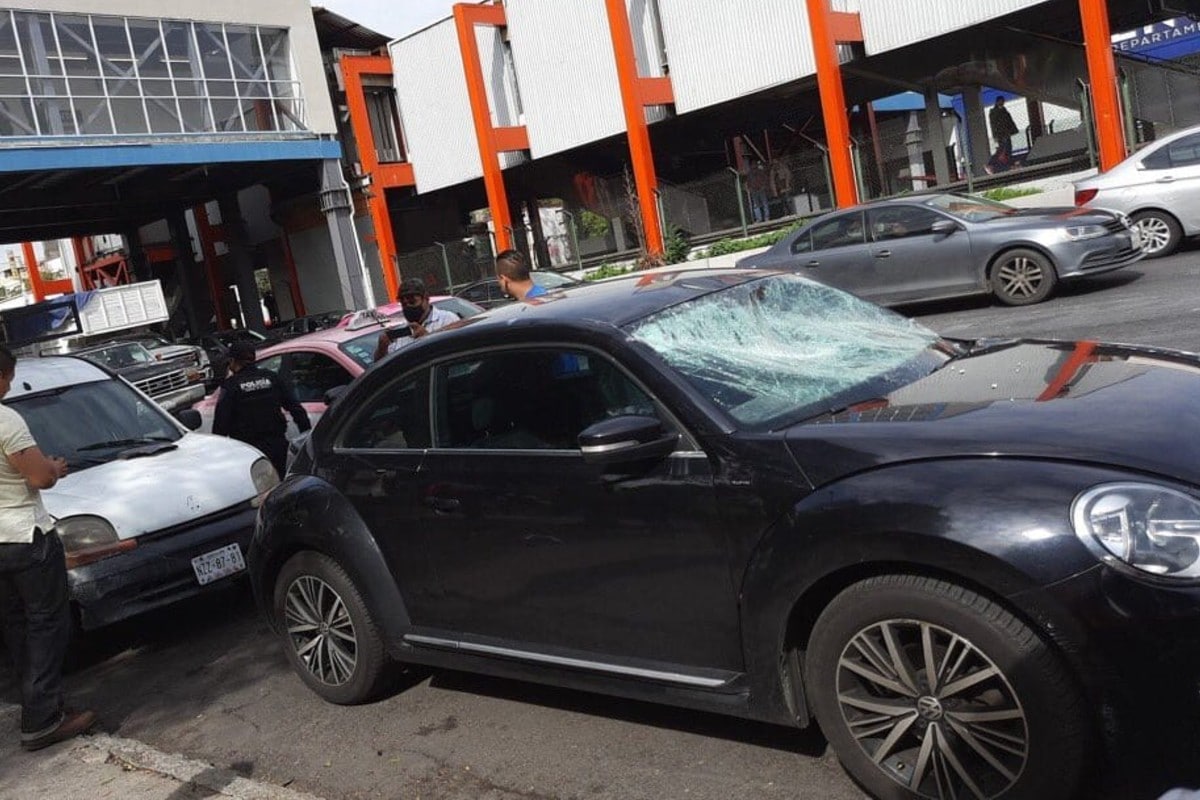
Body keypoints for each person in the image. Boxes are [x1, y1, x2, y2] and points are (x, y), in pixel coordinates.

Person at [0, 344, 96, 752]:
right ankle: (42, 718)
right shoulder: (6, 421)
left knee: (18, 626)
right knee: (47, 624)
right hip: (25, 536)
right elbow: (39, 477)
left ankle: (39, 704)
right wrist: (54, 467)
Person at [212, 340, 310, 477]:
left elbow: (220, 426)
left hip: (250, 453)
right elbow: (296, 409)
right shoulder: (271, 377)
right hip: (278, 446)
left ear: (233, 361)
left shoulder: (230, 386)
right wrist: (306, 439)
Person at [372, 277, 460, 361]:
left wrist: (427, 338)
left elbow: (459, 352)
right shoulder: (403, 333)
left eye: (412, 302)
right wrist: (382, 348)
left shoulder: (448, 320)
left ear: (426, 298)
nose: (408, 307)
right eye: (403, 304)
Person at [989, 96, 1019, 160]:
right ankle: (1002, 160)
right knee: (1003, 147)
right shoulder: (994, 112)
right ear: (997, 102)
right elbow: (993, 124)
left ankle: (1007, 159)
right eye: (1001, 101)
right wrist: (995, 135)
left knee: (1007, 147)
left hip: (1006, 132)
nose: (1002, 102)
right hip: (1001, 133)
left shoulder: (1004, 111)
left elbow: (1009, 121)